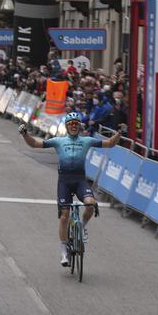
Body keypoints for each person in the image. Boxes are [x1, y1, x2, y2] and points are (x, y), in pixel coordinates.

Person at [18, 112, 123, 266]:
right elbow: (34, 144)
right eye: (71, 124)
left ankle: (82, 226)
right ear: (66, 126)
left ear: (79, 126)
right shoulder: (59, 141)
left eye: (76, 123)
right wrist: (25, 134)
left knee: (90, 203)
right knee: (64, 216)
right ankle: (63, 251)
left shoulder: (87, 140)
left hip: (80, 180)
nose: (73, 126)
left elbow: (109, 144)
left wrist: (119, 133)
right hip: (64, 182)